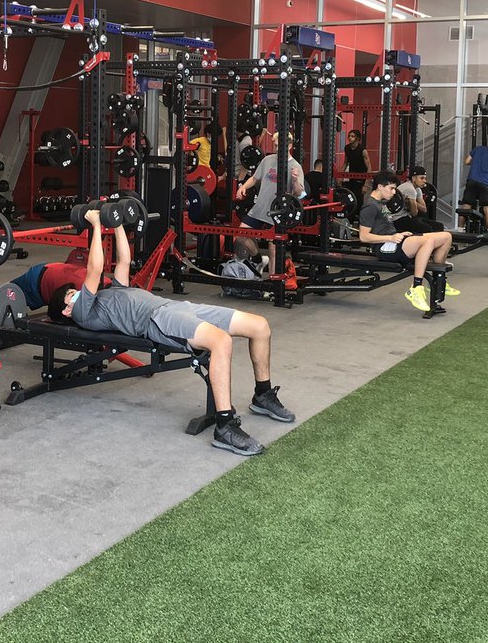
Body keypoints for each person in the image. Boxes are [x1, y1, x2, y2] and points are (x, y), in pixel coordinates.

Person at [50, 209, 294, 456]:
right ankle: (225, 426)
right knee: (220, 342)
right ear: (68, 310)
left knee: (260, 325)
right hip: (158, 320)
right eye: (73, 294)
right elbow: (94, 268)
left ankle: (263, 395)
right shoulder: (83, 312)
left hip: (176, 307)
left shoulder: (112, 291)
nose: (78, 292)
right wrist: (94, 225)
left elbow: (123, 261)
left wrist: (117, 222)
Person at [356, 170, 459, 313]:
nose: (394, 193)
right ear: (380, 187)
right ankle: (416, 288)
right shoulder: (370, 206)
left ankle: (438, 280)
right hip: (383, 247)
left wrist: (397, 234)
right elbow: (364, 237)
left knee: (446, 236)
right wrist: (391, 238)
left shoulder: (381, 203)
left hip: (393, 240)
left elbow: (385, 227)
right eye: (391, 188)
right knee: (427, 242)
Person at [235, 132, 305, 274]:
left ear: (290, 146)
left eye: (280, 146)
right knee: (240, 235)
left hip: (278, 212)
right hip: (260, 207)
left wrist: (296, 180)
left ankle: (273, 286)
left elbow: (299, 193)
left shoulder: (295, 166)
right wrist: (243, 187)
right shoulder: (267, 160)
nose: (277, 149)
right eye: (275, 145)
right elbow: (255, 179)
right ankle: (258, 259)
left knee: (274, 249)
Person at [394, 166, 443, 234]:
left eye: (425, 178)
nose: (425, 181)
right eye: (422, 178)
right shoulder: (409, 189)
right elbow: (414, 213)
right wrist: (412, 202)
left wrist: (411, 201)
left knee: (439, 226)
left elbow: (424, 209)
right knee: (427, 229)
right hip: (397, 219)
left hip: (407, 216)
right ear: (414, 178)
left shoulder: (418, 189)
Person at [342, 129, 372, 200]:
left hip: (361, 178)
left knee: (358, 199)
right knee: (350, 198)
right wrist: (340, 177)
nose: (350, 138)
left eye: (352, 136)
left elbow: (369, 168)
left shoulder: (363, 151)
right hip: (351, 176)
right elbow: (345, 162)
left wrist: (366, 185)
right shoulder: (347, 148)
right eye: (349, 136)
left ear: (358, 138)